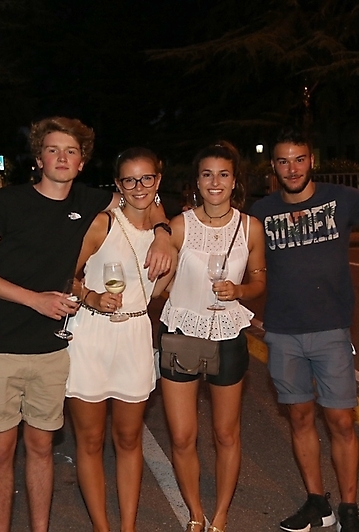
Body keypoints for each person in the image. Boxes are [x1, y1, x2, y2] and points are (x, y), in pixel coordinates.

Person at [0, 116, 172, 532]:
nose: (62, 157)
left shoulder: (91, 201)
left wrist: (163, 232)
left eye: (71, 151)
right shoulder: (7, 202)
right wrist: (34, 299)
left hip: (55, 349)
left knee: (42, 449)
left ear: (81, 161)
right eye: (53, 150)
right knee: (0, 452)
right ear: (38, 158)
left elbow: (144, 196)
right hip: (1, 345)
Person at [249, 126, 359, 532]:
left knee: (341, 422)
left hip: (331, 330)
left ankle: (349, 508)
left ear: (311, 160)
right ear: (273, 166)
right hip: (283, 331)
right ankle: (318, 503)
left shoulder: (343, 199)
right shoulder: (261, 212)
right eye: (283, 161)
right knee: (300, 419)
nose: (292, 168)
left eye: (299, 159)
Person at [158, 141, 267, 532]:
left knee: (226, 433)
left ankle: (219, 517)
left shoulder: (250, 227)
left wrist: (238, 291)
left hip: (227, 334)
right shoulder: (179, 225)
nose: (215, 182)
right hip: (181, 332)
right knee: (182, 436)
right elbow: (160, 283)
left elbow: (259, 281)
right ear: (197, 181)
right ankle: (195, 513)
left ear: (234, 181)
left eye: (223, 174)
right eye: (207, 174)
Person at [66, 147, 176, 532]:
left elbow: (157, 291)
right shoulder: (103, 224)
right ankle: (102, 528)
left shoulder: (166, 234)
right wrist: (90, 296)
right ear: (118, 184)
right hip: (91, 335)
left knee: (129, 439)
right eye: (130, 179)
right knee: (90, 440)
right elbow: (63, 273)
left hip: (134, 335)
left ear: (158, 180)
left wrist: (166, 242)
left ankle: (128, 527)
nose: (139, 187)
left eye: (147, 178)